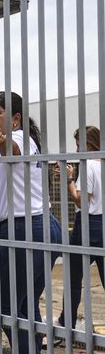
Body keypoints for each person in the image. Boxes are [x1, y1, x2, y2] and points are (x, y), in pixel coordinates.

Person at [0, 91, 61, 354]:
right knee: (24, 306)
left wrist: (4, 140)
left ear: (15, 118)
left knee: (4, 304)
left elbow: (15, 149)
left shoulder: (21, 138)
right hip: (27, 227)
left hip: (25, 229)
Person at [55, 126, 104, 337]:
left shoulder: (88, 165)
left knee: (73, 277)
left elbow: (81, 200)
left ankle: (68, 322)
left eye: (78, 144)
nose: (76, 150)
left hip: (87, 224)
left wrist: (69, 180)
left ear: (88, 144)